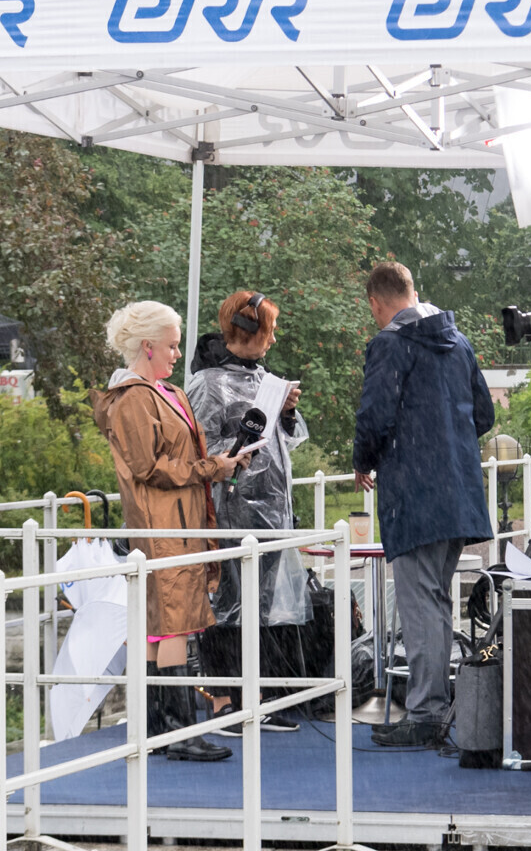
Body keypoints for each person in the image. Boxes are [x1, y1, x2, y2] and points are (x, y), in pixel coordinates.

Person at [91, 300, 254, 763]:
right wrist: (213, 468)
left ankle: (159, 727)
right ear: (148, 347)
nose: (178, 354)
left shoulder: (162, 392)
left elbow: (170, 460)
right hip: (163, 524)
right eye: (171, 346)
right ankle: (178, 730)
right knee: (172, 624)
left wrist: (220, 464)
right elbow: (149, 467)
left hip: (176, 520)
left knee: (159, 626)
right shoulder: (134, 398)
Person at [352, 261, 494, 748]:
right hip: (459, 491)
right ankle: (436, 707)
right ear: (413, 292)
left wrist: (364, 460)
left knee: (420, 605)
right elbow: (483, 413)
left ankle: (427, 713)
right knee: (436, 600)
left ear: (376, 302)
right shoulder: (459, 341)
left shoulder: (390, 343)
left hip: (414, 494)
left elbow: (375, 414)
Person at [187, 290, 311, 731]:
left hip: (271, 510)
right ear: (246, 330)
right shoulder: (207, 384)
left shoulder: (265, 380)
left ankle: (257, 699)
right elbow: (198, 449)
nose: (273, 340)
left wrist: (287, 413)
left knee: (261, 606)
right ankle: (225, 702)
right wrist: (237, 447)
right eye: (269, 331)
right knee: (226, 605)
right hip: (229, 509)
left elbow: (287, 442)